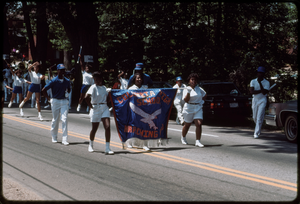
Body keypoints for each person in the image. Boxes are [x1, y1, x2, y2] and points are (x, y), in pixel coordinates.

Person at [85, 71, 114, 155]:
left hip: (104, 107)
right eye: (95, 79)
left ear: (101, 79)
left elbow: (107, 101)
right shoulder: (93, 87)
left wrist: (109, 94)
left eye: (98, 79)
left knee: (107, 127)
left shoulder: (104, 88)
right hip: (95, 108)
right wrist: (90, 106)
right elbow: (86, 97)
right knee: (94, 128)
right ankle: (91, 144)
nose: (96, 80)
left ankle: (107, 148)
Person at [42, 64, 71, 145]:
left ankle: (64, 139)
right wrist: (49, 99)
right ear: (57, 71)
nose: (62, 71)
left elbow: (69, 88)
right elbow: (44, 89)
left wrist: (67, 93)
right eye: (61, 70)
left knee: (64, 119)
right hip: (55, 101)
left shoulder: (67, 81)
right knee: (56, 119)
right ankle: (54, 136)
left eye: (63, 70)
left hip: (64, 101)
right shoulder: (54, 81)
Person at [181, 73, 207, 148]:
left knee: (199, 124)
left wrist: (202, 102)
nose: (194, 81)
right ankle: (183, 137)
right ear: (189, 81)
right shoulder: (186, 89)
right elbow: (186, 100)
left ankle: (198, 141)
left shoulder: (199, 89)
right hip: (188, 108)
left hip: (198, 107)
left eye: (195, 80)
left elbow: (205, 95)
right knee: (187, 125)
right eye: (192, 79)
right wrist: (188, 92)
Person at [128, 72, 150, 151]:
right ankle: (129, 142)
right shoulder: (131, 89)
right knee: (133, 126)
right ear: (134, 79)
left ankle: (145, 145)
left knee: (145, 126)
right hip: (133, 110)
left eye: (140, 78)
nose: (139, 79)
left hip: (143, 110)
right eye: (137, 78)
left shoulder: (145, 88)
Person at [249, 66, 270, 139]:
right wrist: (261, 90)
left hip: (262, 100)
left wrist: (260, 84)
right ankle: (259, 128)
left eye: (262, 73)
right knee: (254, 117)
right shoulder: (253, 81)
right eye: (259, 73)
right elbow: (252, 92)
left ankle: (256, 133)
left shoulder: (266, 82)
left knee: (259, 117)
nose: (260, 74)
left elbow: (264, 93)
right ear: (257, 73)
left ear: (264, 74)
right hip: (255, 100)